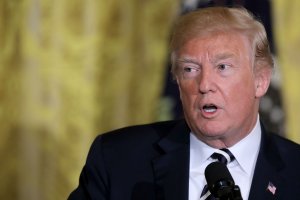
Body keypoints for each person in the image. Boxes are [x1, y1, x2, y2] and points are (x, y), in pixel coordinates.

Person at [68, 7, 300, 200]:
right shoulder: (116, 159)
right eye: (190, 69)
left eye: (222, 67)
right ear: (178, 83)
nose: (204, 84)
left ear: (260, 81)